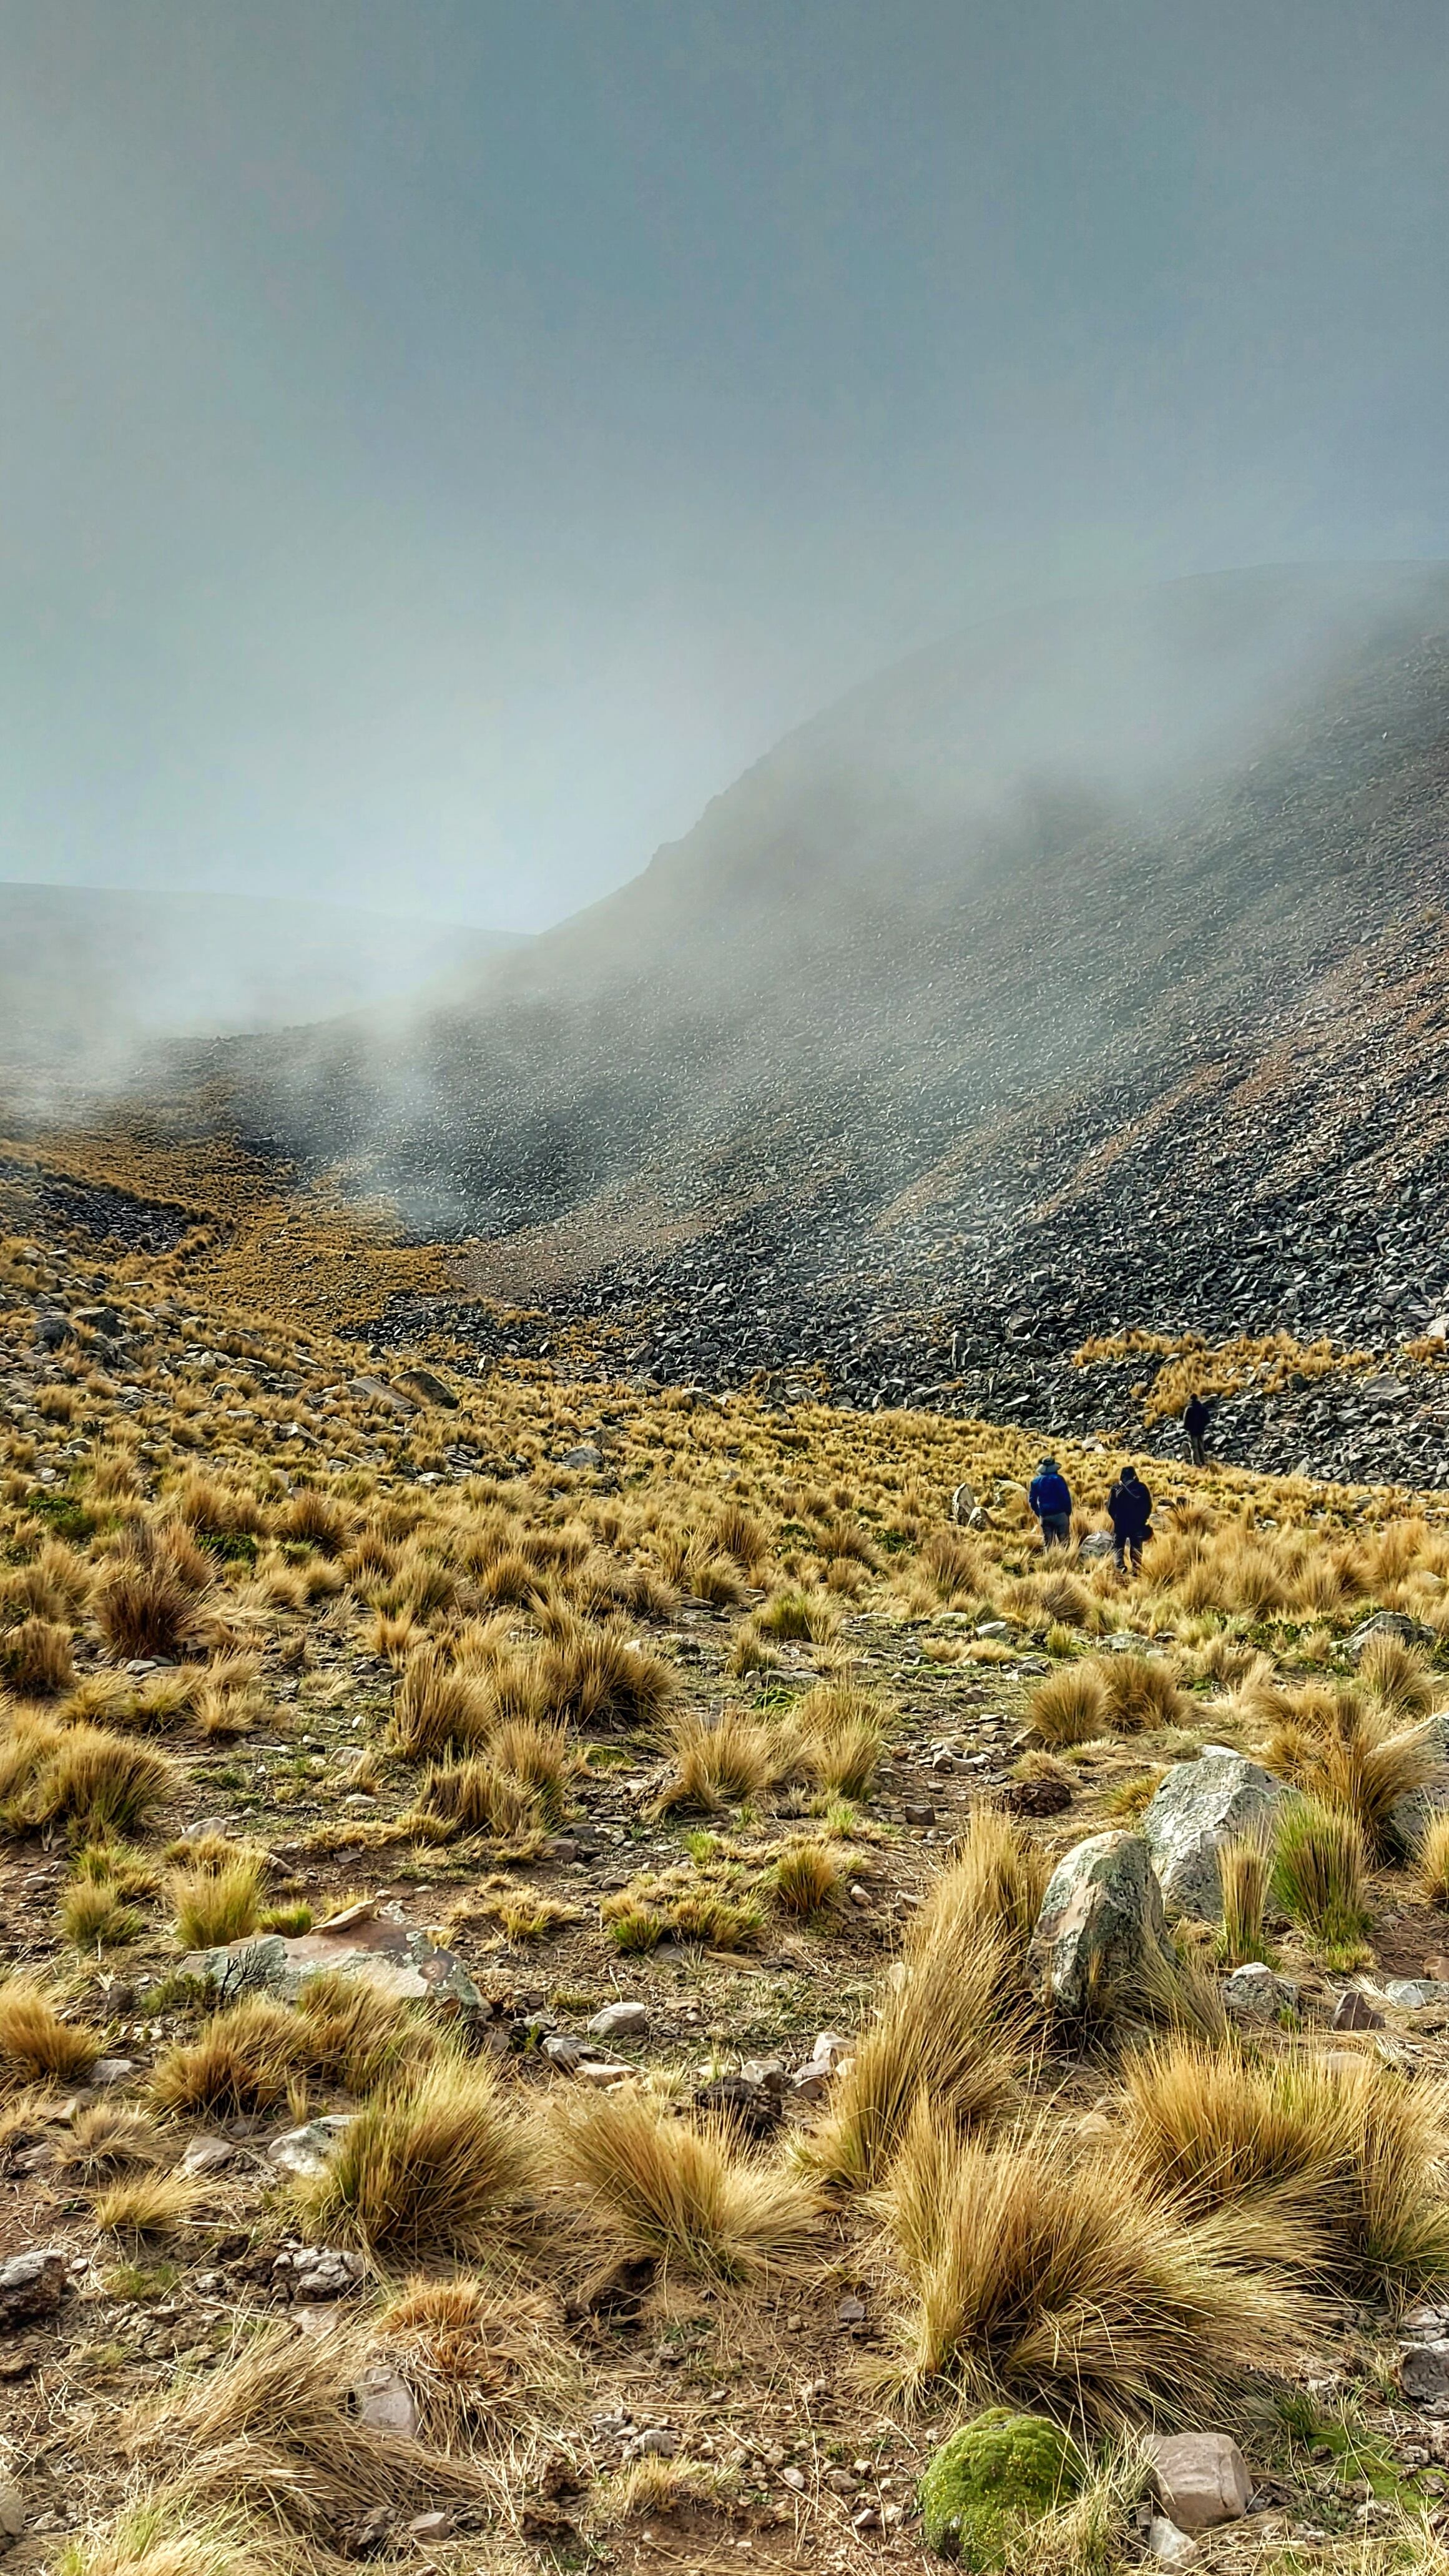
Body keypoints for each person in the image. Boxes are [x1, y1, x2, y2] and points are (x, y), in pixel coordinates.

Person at [1107, 1463, 1152, 1574]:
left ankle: (1120, 1566)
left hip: (1121, 1524)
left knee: (1118, 1546)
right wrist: (1143, 1519)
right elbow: (1148, 1506)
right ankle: (1137, 1569)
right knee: (1136, 1547)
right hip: (1137, 1524)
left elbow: (1110, 1507)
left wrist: (1116, 1518)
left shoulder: (1116, 1488)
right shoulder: (1142, 1488)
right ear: (1134, 1475)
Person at [1028, 1456, 1073, 1551]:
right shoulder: (1059, 1479)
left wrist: (1039, 1513)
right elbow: (1066, 1497)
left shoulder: (1035, 1481)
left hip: (1045, 1516)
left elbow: (1032, 1501)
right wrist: (1068, 1512)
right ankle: (1067, 1562)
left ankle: (1050, 1562)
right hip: (1061, 1515)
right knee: (1064, 1543)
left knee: (1049, 1544)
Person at [1183, 1391, 1211, 1467]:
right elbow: (1208, 1419)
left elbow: (1185, 1423)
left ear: (1190, 1399)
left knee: (1194, 1447)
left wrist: (1188, 1429)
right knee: (1201, 1446)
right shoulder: (1202, 1408)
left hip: (1192, 1432)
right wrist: (1203, 1426)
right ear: (1197, 1398)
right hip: (1201, 1431)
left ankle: (1196, 1464)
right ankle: (1203, 1461)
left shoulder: (1189, 1409)